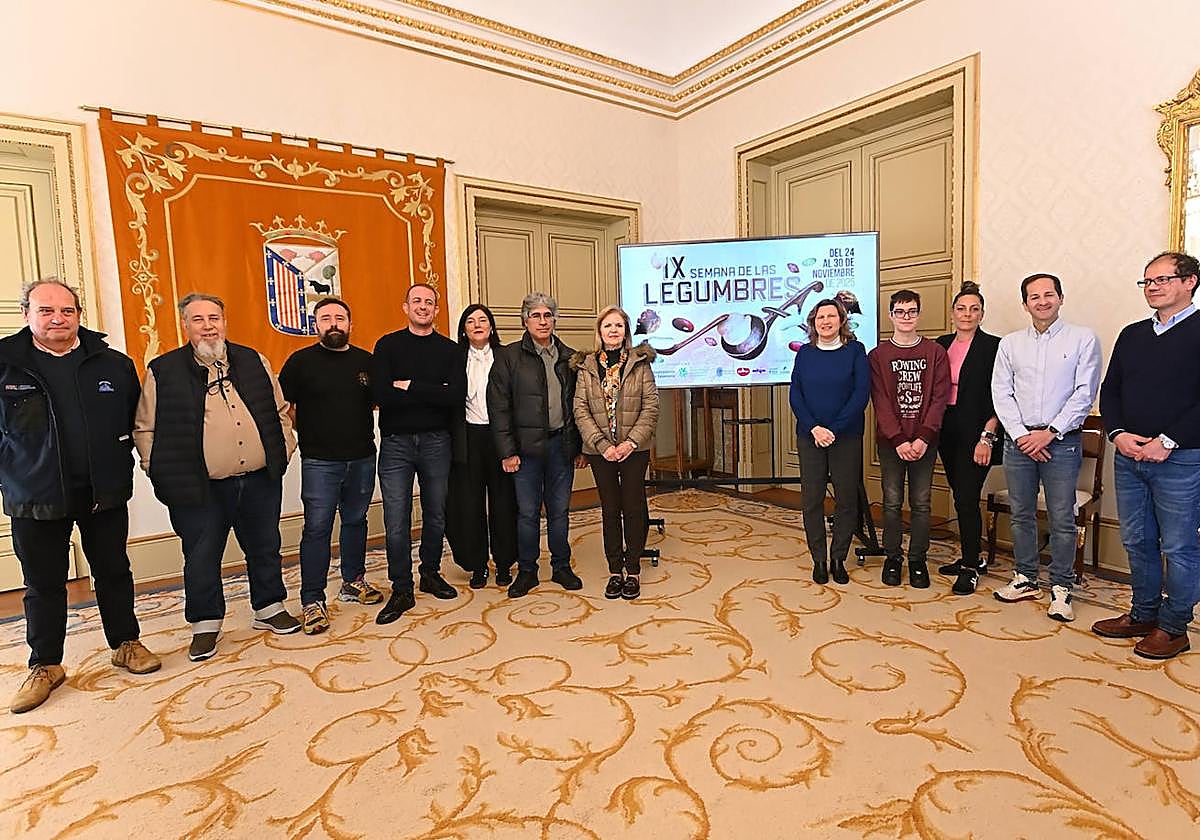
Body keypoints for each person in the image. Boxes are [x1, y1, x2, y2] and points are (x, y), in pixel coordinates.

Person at [1, 280, 160, 713]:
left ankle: (126, 643)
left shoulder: (113, 364)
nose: (58, 319)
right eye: (46, 310)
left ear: (78, 315)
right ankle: (45, 664)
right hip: (34, 494)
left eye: (67, 311)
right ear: (26, 315)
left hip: (102, 490)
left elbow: (135, 422)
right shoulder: (5, 363)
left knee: (114, 570)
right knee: (43, 583)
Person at [134, 293, 300, 662]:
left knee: (264, 545)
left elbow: (280, 410)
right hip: (199, 487)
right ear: (185, 325)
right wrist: (156, 469)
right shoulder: (163, 370)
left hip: (259, 479)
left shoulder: (254, 360)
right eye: (198, 319)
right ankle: (205, 623)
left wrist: (284, 448)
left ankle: (269, 607)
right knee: (201, 555)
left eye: (214, 318)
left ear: (224, 322)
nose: (208, 326)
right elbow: (145, 428)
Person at [1094, 252, 1200, 659]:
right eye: (1147, 281)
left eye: (1162, 279)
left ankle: (1174, 627)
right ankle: (1143, 613)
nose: (1152, 287)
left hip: (1182, 459)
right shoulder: (1133, 334)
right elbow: (1111, 389)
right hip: (1129, 456)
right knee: (1137, 541)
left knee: (1179, 547)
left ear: (1189, 281)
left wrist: (1167, 441)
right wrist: (1118, 434)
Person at [991, 273, 1101, 622]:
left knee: (1062, 517)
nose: (1042, 301)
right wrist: (1022, 435)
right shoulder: (1010, 344)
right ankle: (1025, 577)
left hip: (1062, 442)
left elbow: (1085, 393)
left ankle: (1061, 587)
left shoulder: (1083, 338)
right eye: (1034, 297)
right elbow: (1001, 392)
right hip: (1018, 442)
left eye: (1048, 294)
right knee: (1021, 513)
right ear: (1025, 304)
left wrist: (1050, 432)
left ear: (1060, 298)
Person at [279, 297, 382, 636]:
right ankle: (312, 599)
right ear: (316, 325)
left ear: (350, 324)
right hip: (320, 461)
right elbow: (284, 406)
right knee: (317, 528)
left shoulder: (366, 361)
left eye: (340, 317)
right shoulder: (300, 362)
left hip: (362, 457)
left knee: (356, 520)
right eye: (326, 318)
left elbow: (376, 403)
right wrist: (307, 430)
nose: (333, 323)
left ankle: (353, 581)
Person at [371, 283, 465, 624]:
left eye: (429, 302)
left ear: (436, 310)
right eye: (417, 301)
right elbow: (381, 394)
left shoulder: (450, 350)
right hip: (396, 443)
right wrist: (433, 392)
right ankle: (401, 587)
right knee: (396, 520)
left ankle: (430, 572)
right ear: (405, 307)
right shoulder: (387, 345)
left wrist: (409, 385)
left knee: (436, 513)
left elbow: (454, 397)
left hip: (436, 441)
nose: (423, 307)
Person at [487, 292, 587, 598]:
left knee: (560, 511)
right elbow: (499, 408)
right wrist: (507, 452)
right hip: (525, 451)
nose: (542, 321)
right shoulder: (508, 357)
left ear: (555, 320)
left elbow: (580, 407)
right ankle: (527, 570)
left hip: (561, 447)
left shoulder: (571, 358)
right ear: (525, 321)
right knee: (528, 513)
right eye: (536, 316)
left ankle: (561, 566)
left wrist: (580, 447)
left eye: (548, 315)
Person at [572, 305, 659, 600]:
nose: (613, 330)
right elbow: (580, 409)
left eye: (618, 325)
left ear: (626, 331)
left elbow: (651, 407)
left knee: (633, 506)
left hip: (634, 449)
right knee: (610, 509)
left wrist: (630, 443)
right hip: (600, 451)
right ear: (600, 331)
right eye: (608, 325)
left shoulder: (640, 363)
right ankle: (614, 570)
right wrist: (602, 445)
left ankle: (632, 569)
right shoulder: (586, 366)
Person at [868, 290, 951, 589]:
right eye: (900, 312)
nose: (906, 317)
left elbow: (940, 398)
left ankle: (917, 559)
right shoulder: (878, 356)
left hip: (925, 442)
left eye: (912, 311)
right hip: (892, 443)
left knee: (921, 503)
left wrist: (923, 438)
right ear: (891, 315)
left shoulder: (935, 352)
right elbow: (880, 401)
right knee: (891, 502)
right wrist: (899, 440)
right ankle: (893, 557)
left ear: (919, 314)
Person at [788, 298, 869, 586]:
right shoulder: (805, 353)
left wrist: (833, 429)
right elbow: (796, 394)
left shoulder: (855, 351)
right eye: (820, 317)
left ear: (841, 320)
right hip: (810, 436)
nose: (826, 321)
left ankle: (838, 558)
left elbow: (861, 394)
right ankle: (819, 560)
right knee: (812, 500)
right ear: (814, 322)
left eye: (831, 316)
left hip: (846, 436)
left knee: (846, 499)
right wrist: (815, 428)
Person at [935, 281, 1003, 596]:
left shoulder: (994, 347)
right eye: (961, 308)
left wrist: (987, 437)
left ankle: (970, 567)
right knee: (960, 494)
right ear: (952, 313)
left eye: (974, 309)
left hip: (978, 432)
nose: (967, 314)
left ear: (982, 314)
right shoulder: (941, 344)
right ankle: (971, 556)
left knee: (966, 497)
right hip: (946, 429)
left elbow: (1001, 395)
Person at [445, 304, 517, 589]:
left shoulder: (506, 355)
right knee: (469, 504)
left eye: (483, 320)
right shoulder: (453, 357)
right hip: (467, 437)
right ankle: (477, 565)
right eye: (471, 321)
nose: (477, 325)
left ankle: (504, 562)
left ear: (491, 326)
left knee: (503, 502)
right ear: (463, 329)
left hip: (500, 437)